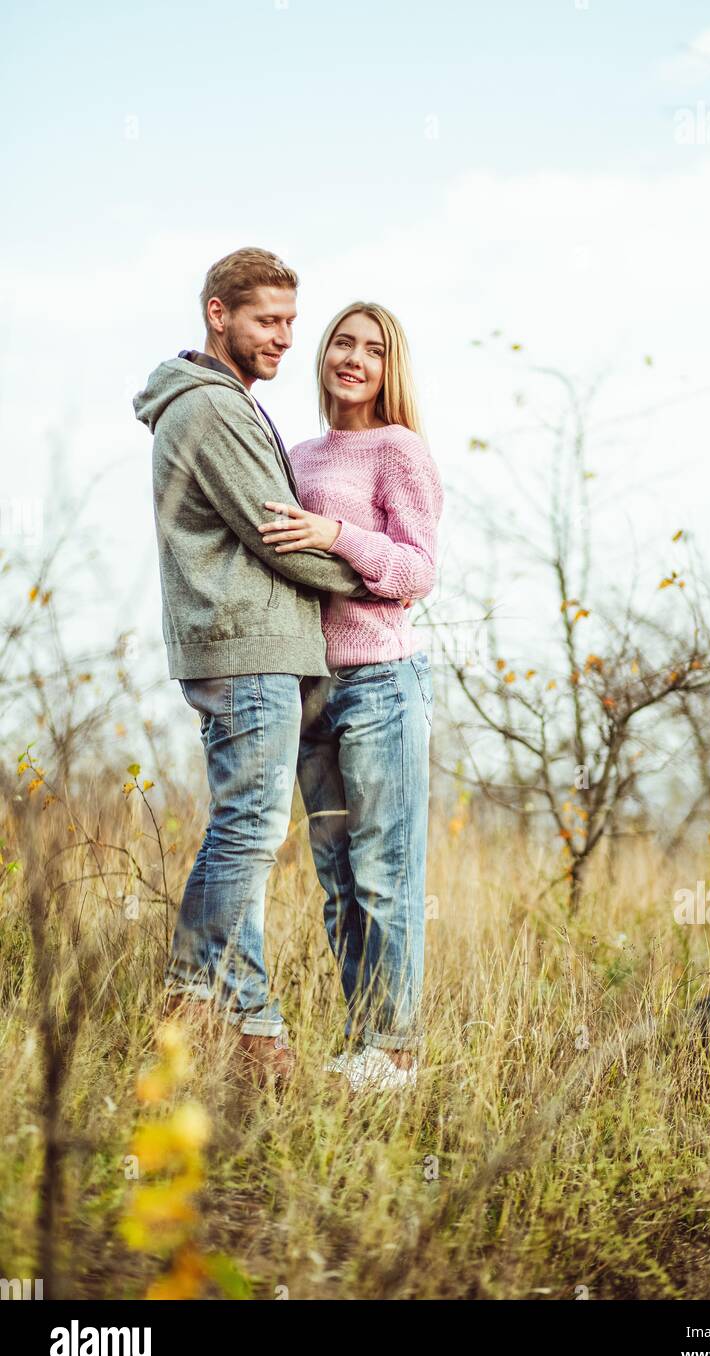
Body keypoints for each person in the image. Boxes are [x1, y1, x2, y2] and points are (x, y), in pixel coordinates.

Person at [133, 248, 381, 1087]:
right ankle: (189, 990)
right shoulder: (210, 409)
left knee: (247, 827)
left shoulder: (218, 402)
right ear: (217, 314)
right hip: (248, 650)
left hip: (250, 648)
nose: (284, 338)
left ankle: (255, 1034)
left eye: (288, 322)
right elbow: (278, 530)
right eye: (266, 321)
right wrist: (375, 575)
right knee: (247, 829)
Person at [257, 301, 444, 1092]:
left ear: (388, 366)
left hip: (380, 685)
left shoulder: (399, 449)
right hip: (309, 690)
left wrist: (335, 536)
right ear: (324, 354)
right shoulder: (297, 453)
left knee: (383, 872)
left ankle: (394, 1050)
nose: (354, 358)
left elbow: (416, 572)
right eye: (343, 342)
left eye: (372, 348)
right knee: (337, 883)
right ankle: (361, 1041)